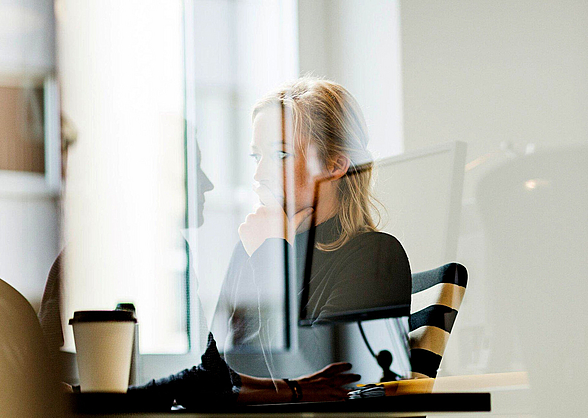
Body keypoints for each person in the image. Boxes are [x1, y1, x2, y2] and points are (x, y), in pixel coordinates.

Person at [38, 140, 360, 410]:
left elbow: (212, 374)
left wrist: (293, 386)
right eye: (195, 168)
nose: (207, 183)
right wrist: (295, 391)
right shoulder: (116, 254)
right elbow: (197, 384)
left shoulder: (168, 248)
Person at [213, 77, 412, 373]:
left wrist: (273, 253)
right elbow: (214, 369)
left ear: (335, 165)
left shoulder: (375, 255)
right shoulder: (253, 248)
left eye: (281, 154)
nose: (259, 174)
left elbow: (315, 372)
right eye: (257, 156)